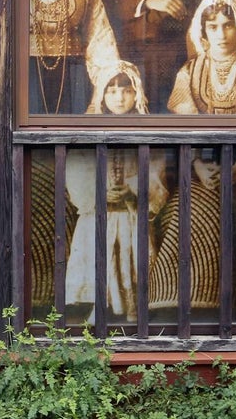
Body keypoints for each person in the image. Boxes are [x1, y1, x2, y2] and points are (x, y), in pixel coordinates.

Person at [65, 62, 168, 323]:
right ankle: (100, 306)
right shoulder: (88, 129)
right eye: (111, 91)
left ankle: (135, 306)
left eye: (126, 90)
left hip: (131, 213)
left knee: (132, 257)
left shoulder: (147, 128)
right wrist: (98, 192)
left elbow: (157, 169)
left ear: (137, 93)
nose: (119, 97)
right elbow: (76, 168)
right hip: (98, 213)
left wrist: (132, 188)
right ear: (101, 95)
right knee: (99, 256)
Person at [167, 0, 236, 115]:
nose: (221, 35)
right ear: (204, 32)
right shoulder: (189, 72)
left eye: (228, 26)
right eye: (213, 27)